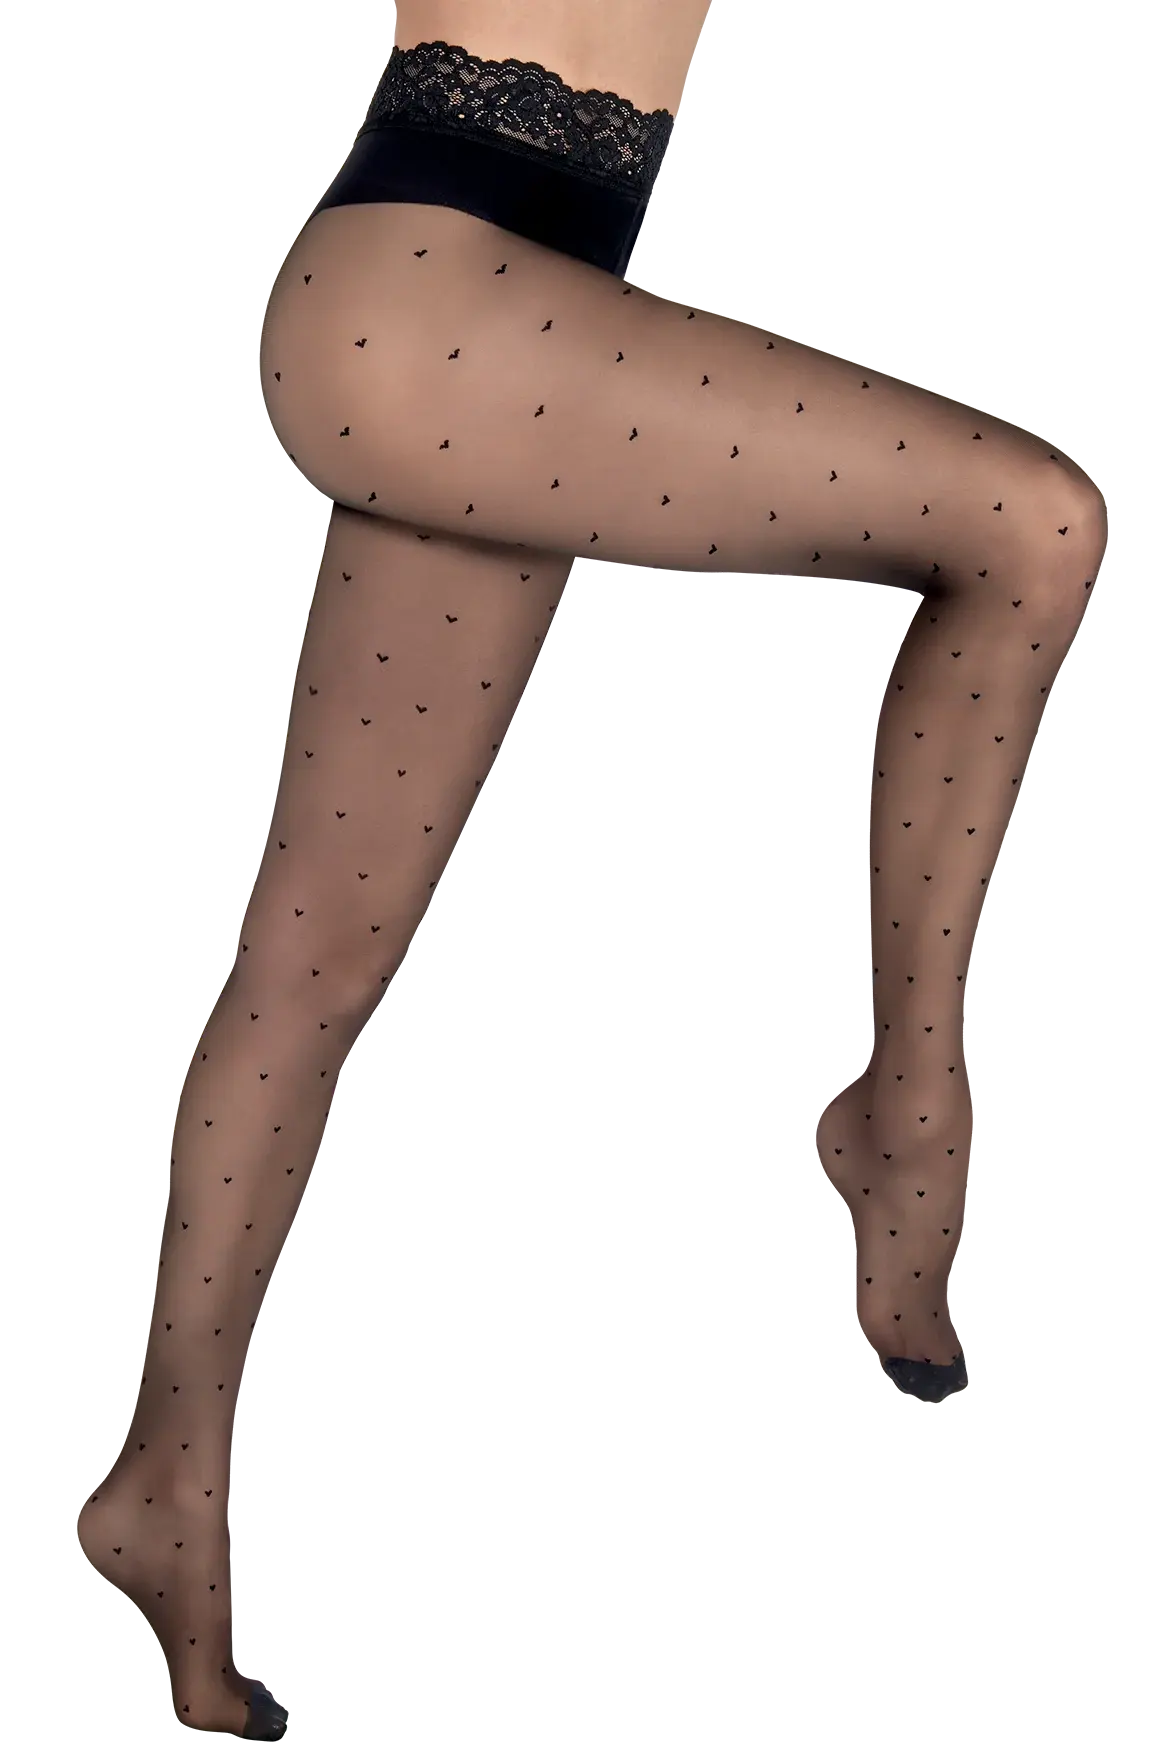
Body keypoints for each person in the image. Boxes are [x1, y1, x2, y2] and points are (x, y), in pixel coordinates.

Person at [75, 0, 1109, 1740]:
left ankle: (166, 1481)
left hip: (487, 310)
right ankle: (908, 1110)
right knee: (1034, 525)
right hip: (444, 302)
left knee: (317, 955)